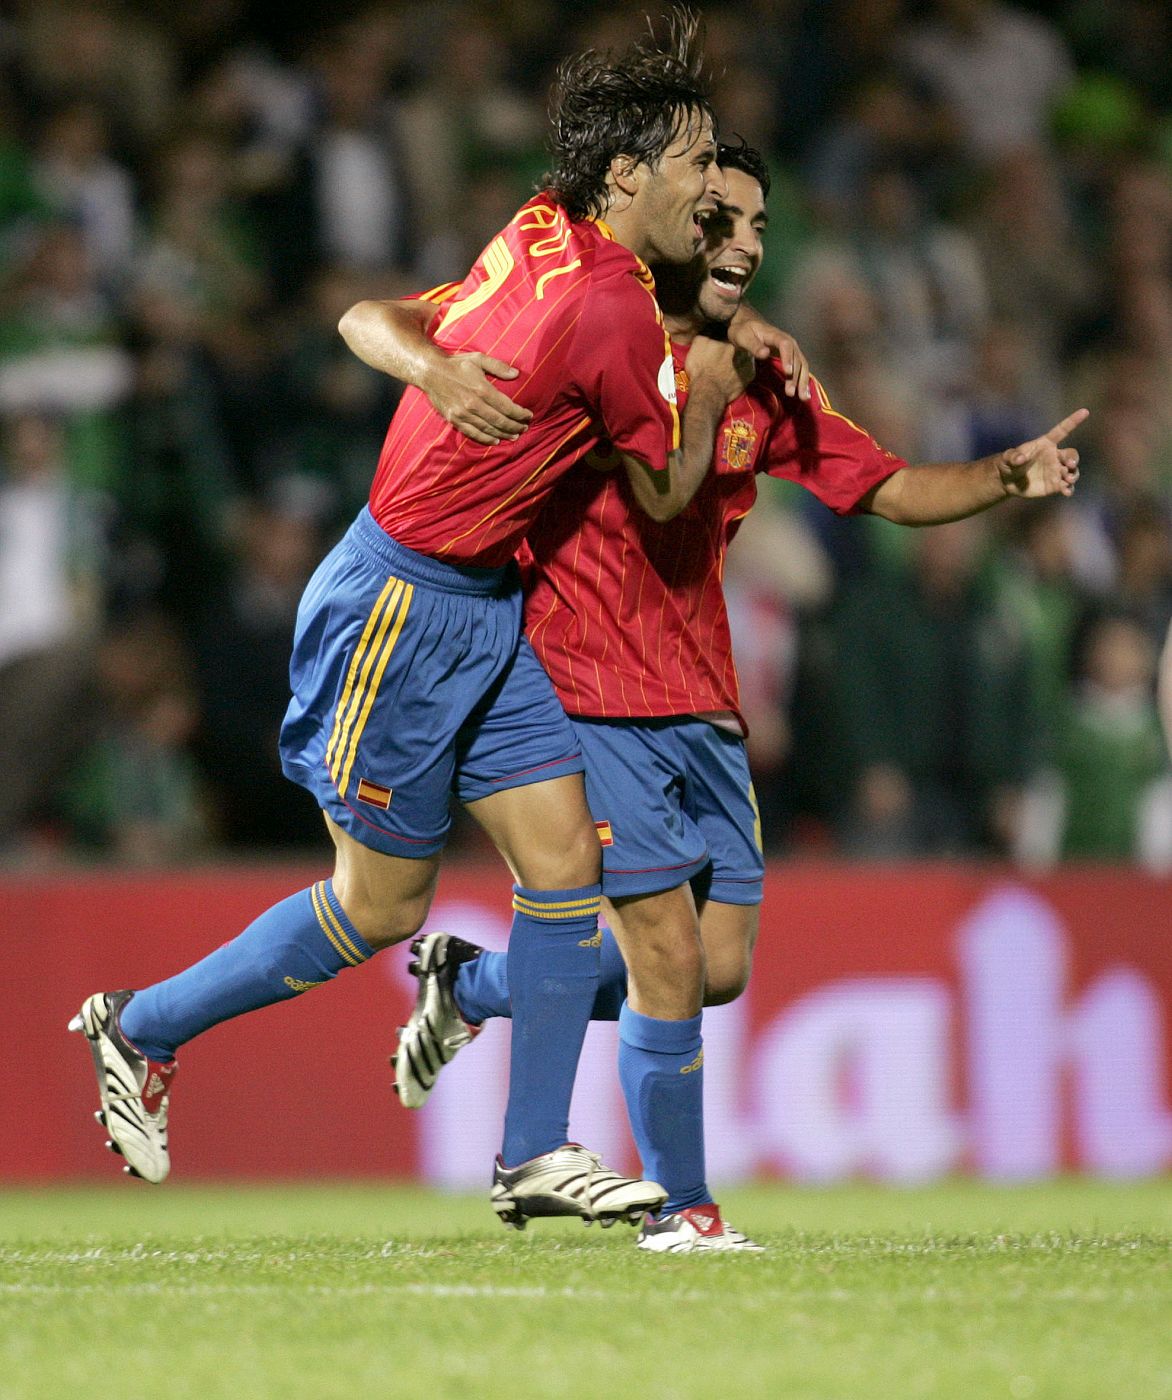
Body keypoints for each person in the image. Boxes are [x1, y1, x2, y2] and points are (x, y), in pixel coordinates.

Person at [70, 10, 769, 1231]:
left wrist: (432, 361)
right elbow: (661, 494)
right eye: (695, 162)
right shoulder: (604, 309)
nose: (712, 190)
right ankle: (140, 1024)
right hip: (398, 605)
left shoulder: (538, 232)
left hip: (488, 602)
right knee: (378, 906)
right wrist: (704, 390)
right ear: (625, 174)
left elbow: (367, 317)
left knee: (563, 866)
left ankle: (531, 1151)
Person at [344, 141, 1086, 1252]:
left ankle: (477, 985)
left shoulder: (758, 374)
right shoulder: (592, 335)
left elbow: (874, 482)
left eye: (756, 226)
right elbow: (653, 486)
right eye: (717, 220)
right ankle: (680, 1210)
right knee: (668, 959)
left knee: (718, 970)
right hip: (587, 690)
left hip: (701, 701)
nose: (739, 242)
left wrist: (998, 479)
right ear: (672, 225)